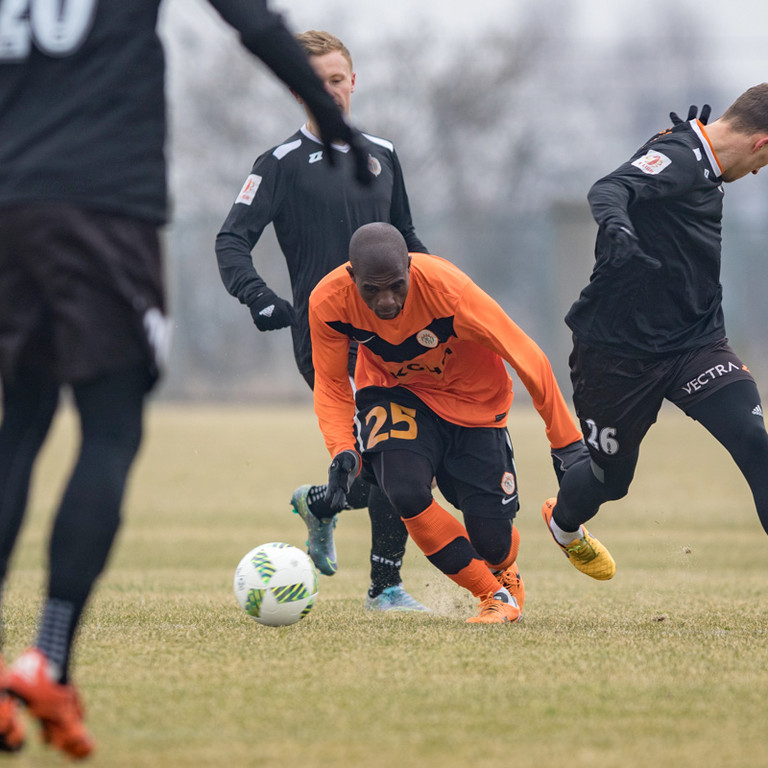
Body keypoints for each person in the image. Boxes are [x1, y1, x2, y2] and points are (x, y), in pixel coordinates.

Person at [0, 0, 370, 759]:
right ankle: (48, 658)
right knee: (108, 427)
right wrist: (337, 134)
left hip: (10, 205)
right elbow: (255, 23)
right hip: (103, 211)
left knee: (21, 428)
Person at [216, 30, 429, 612]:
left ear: (353, 82)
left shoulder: (382, 154)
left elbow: (407, 239)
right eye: (317, 82)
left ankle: (320, 502)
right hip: (328, 336)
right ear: (297, 89)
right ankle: (386, 589)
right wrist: (258, 296)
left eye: (338, 80)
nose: (330, 91)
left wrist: (442, 293)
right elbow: (231, 240)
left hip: (395, 332)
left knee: (386, 461)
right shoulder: (279, 164)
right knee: (392, 455)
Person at [542, 85, 768, 580]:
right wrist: (618, 229)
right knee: (610, 480)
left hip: (696, 343)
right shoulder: (681, 156)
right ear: (759, 144)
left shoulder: (692, 155)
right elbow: (608, 189)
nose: (757, 173)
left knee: (755, 441)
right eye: (764, 162)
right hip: (617, 354)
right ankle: (563, 525)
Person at [308, 222, 586, 623]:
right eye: (371, 289)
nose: (385, 301)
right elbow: (333, 383)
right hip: (393, 392)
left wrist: (566, 443)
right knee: (403, 489)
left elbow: (526, 357)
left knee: (492, 540)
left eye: (396, 286)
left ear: (411, 267)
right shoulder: (329, 303)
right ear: (352, 276)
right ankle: (493, 596)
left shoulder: (449, 291)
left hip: (474, 400)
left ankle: (503, 569)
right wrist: (343, 452)